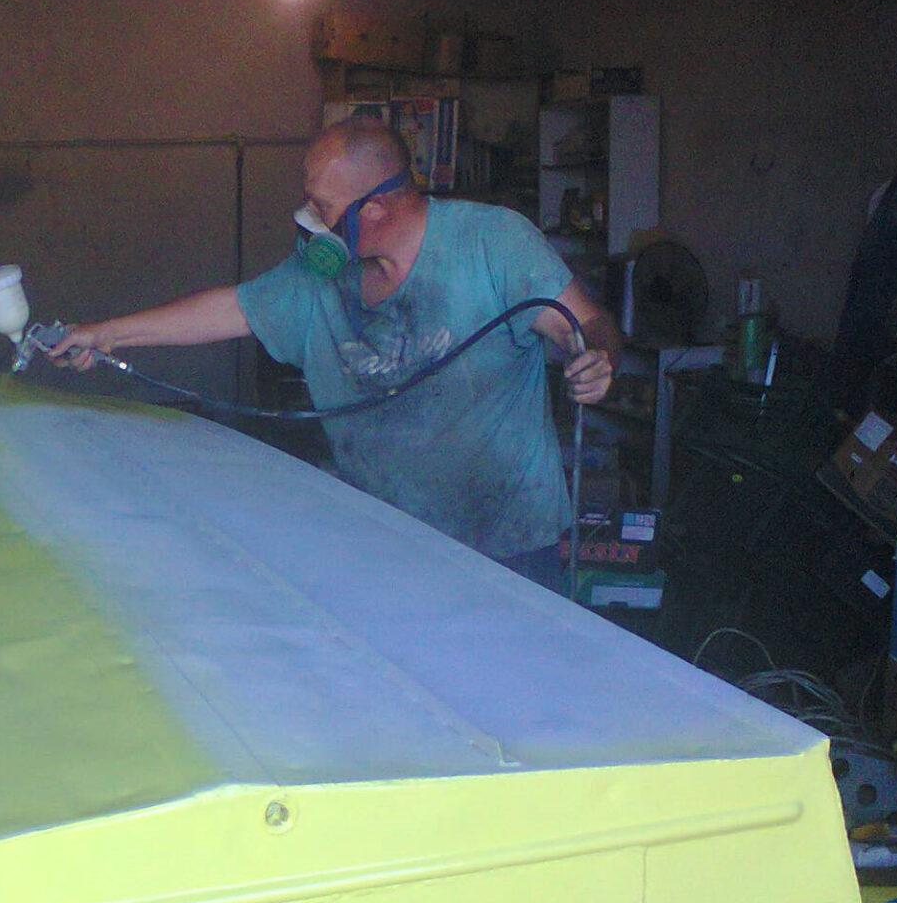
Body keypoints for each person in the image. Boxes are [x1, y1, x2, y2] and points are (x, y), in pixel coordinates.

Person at [50, 116, 622, 591]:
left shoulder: (493, 243)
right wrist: (105, 335)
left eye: (321, 206)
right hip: (382, 540)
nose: (309, 219)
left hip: (505, 547)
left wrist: (597, 359)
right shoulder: (319, 277)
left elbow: (588, 323)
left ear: (374, 209)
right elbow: (230, 309)